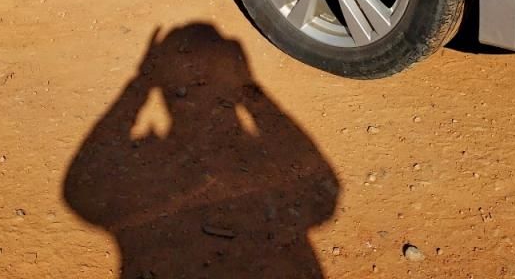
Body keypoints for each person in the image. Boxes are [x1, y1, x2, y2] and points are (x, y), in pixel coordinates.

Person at [63, 23, 339, 278]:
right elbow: (322, 192)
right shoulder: (261, 166)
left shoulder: (145, 173)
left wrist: (140, 86)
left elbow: (80, 188)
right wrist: (251, 91)